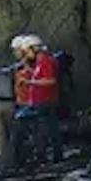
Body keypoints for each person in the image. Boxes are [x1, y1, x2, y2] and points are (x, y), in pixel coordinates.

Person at [14, 33, 63, 165]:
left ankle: (53, 157)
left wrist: (30, 82)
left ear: (33, 49)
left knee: (47, 130)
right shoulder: (39, 64)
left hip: (46, 100)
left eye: (27, 51)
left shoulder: (46, 61)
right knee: (44, 130)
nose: (26, 55)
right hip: (40, 101)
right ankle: (45, 156)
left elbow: (50, 81)